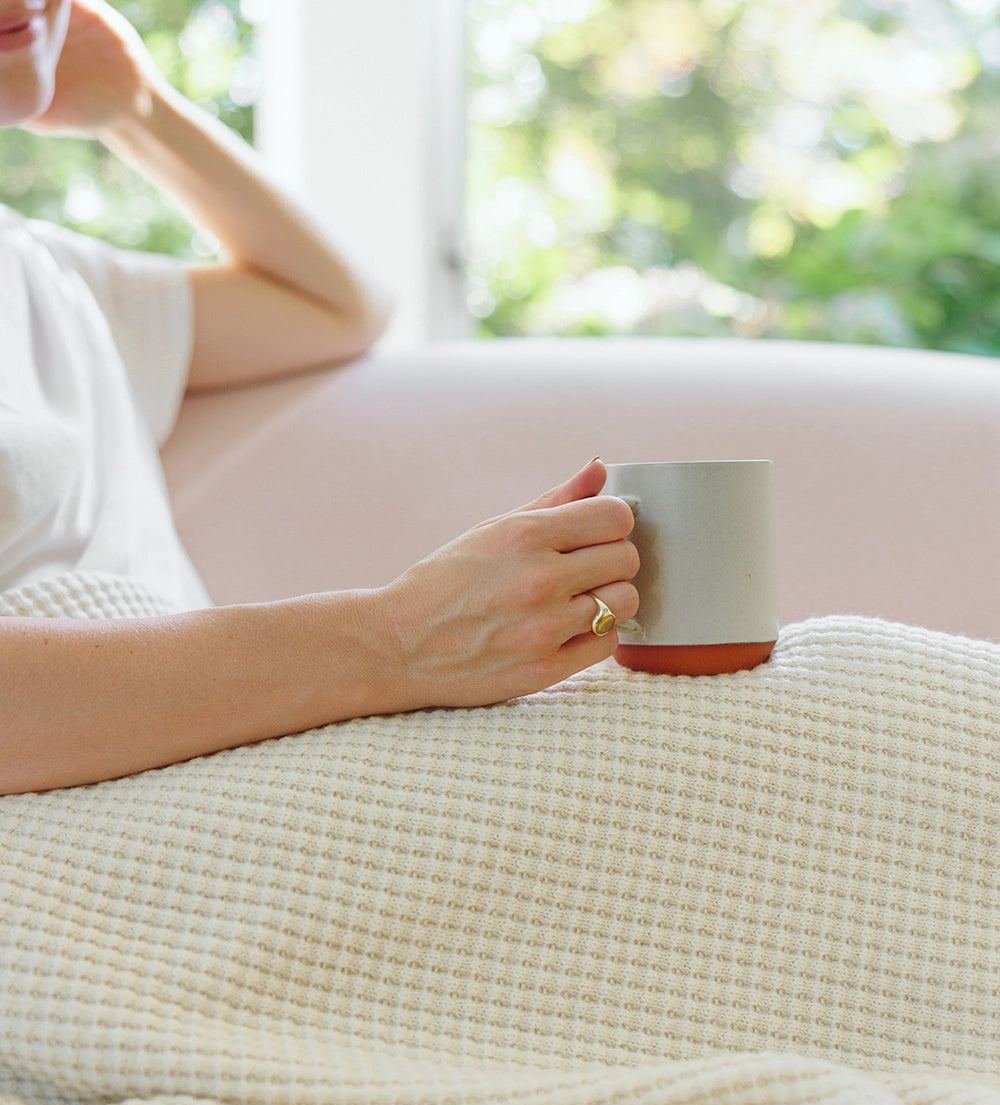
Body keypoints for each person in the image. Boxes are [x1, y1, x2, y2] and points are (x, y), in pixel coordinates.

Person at [0, 0, 640, 795]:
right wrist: (398, 639)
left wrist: (140, 111)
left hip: (203, 789)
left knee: (831, 679)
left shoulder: (43, 272)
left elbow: (340, 304)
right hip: (98, 840)